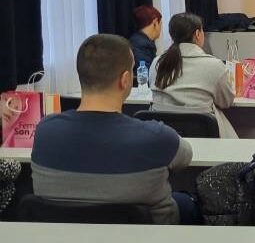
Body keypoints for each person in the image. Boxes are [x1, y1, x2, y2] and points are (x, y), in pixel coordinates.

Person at [30, 34, 197, 224]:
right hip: (147, 235)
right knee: (186, 203)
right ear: (125, 79)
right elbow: (185, 158)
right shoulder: (157, 137)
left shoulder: (45, 132)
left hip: (62, 235)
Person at [150, 12, 237, 138]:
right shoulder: (213, 65)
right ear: (197, 34)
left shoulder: (157, 63)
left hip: (163, 137)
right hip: (205, 138)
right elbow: (226, 102)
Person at [129, 5, 162, 72]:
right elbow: (148, 73)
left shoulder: (137, 41)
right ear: (155, 22)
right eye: (161, 24)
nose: (161, 28)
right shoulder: (142, 46)